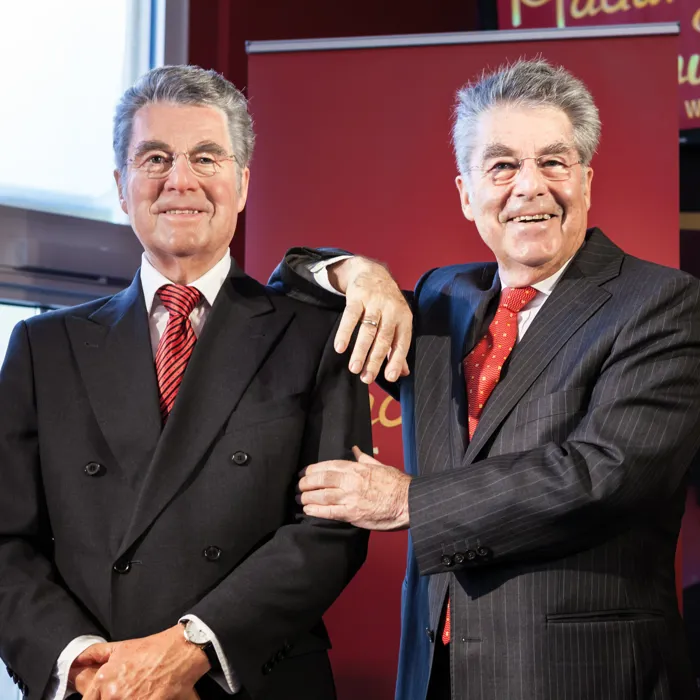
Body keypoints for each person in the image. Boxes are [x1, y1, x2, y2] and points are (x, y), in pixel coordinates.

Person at [271, 59, 700, 699]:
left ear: (585, 181)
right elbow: (293, 283)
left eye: (553, 163)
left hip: (586, 677)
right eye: (501, 166)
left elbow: (603, 473)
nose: (529, 187)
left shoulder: (660, 302)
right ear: (466, 193)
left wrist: (406, 501)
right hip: (436, 677)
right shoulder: (447, 298)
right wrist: (364, 274)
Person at [0, 65, 371, 700]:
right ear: (122, 186)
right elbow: (5, 538)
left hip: (255, 677)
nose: (182, 180)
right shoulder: (43, 346)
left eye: (206, 157)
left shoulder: (318, 333)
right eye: (155, 159)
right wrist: (81, 661)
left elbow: (332, 529)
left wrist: (193, 646)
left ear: (243, 183)